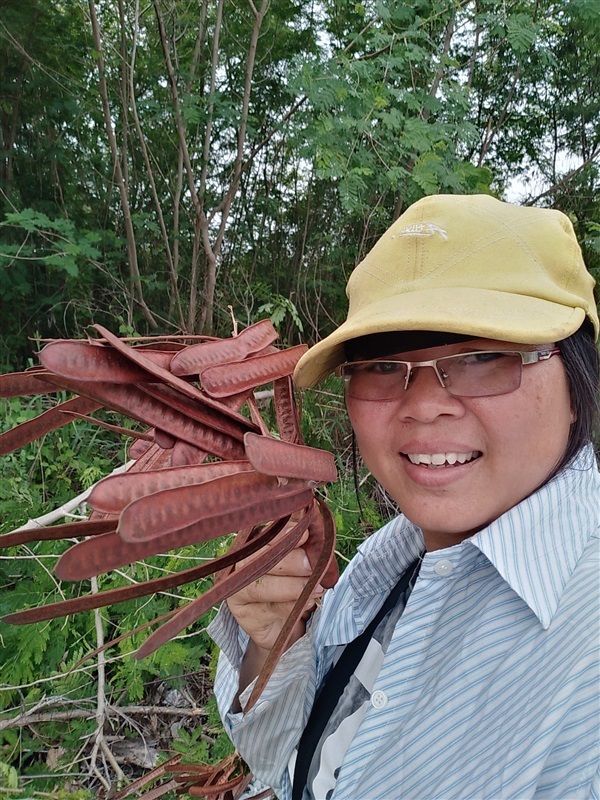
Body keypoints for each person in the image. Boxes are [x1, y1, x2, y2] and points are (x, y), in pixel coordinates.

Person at [208, 194, 600, 800]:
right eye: (384, 367)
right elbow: (277, 758)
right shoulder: (387, 559)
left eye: (482, 358)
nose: (422, 406)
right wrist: (273, 645)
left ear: (578, 384)